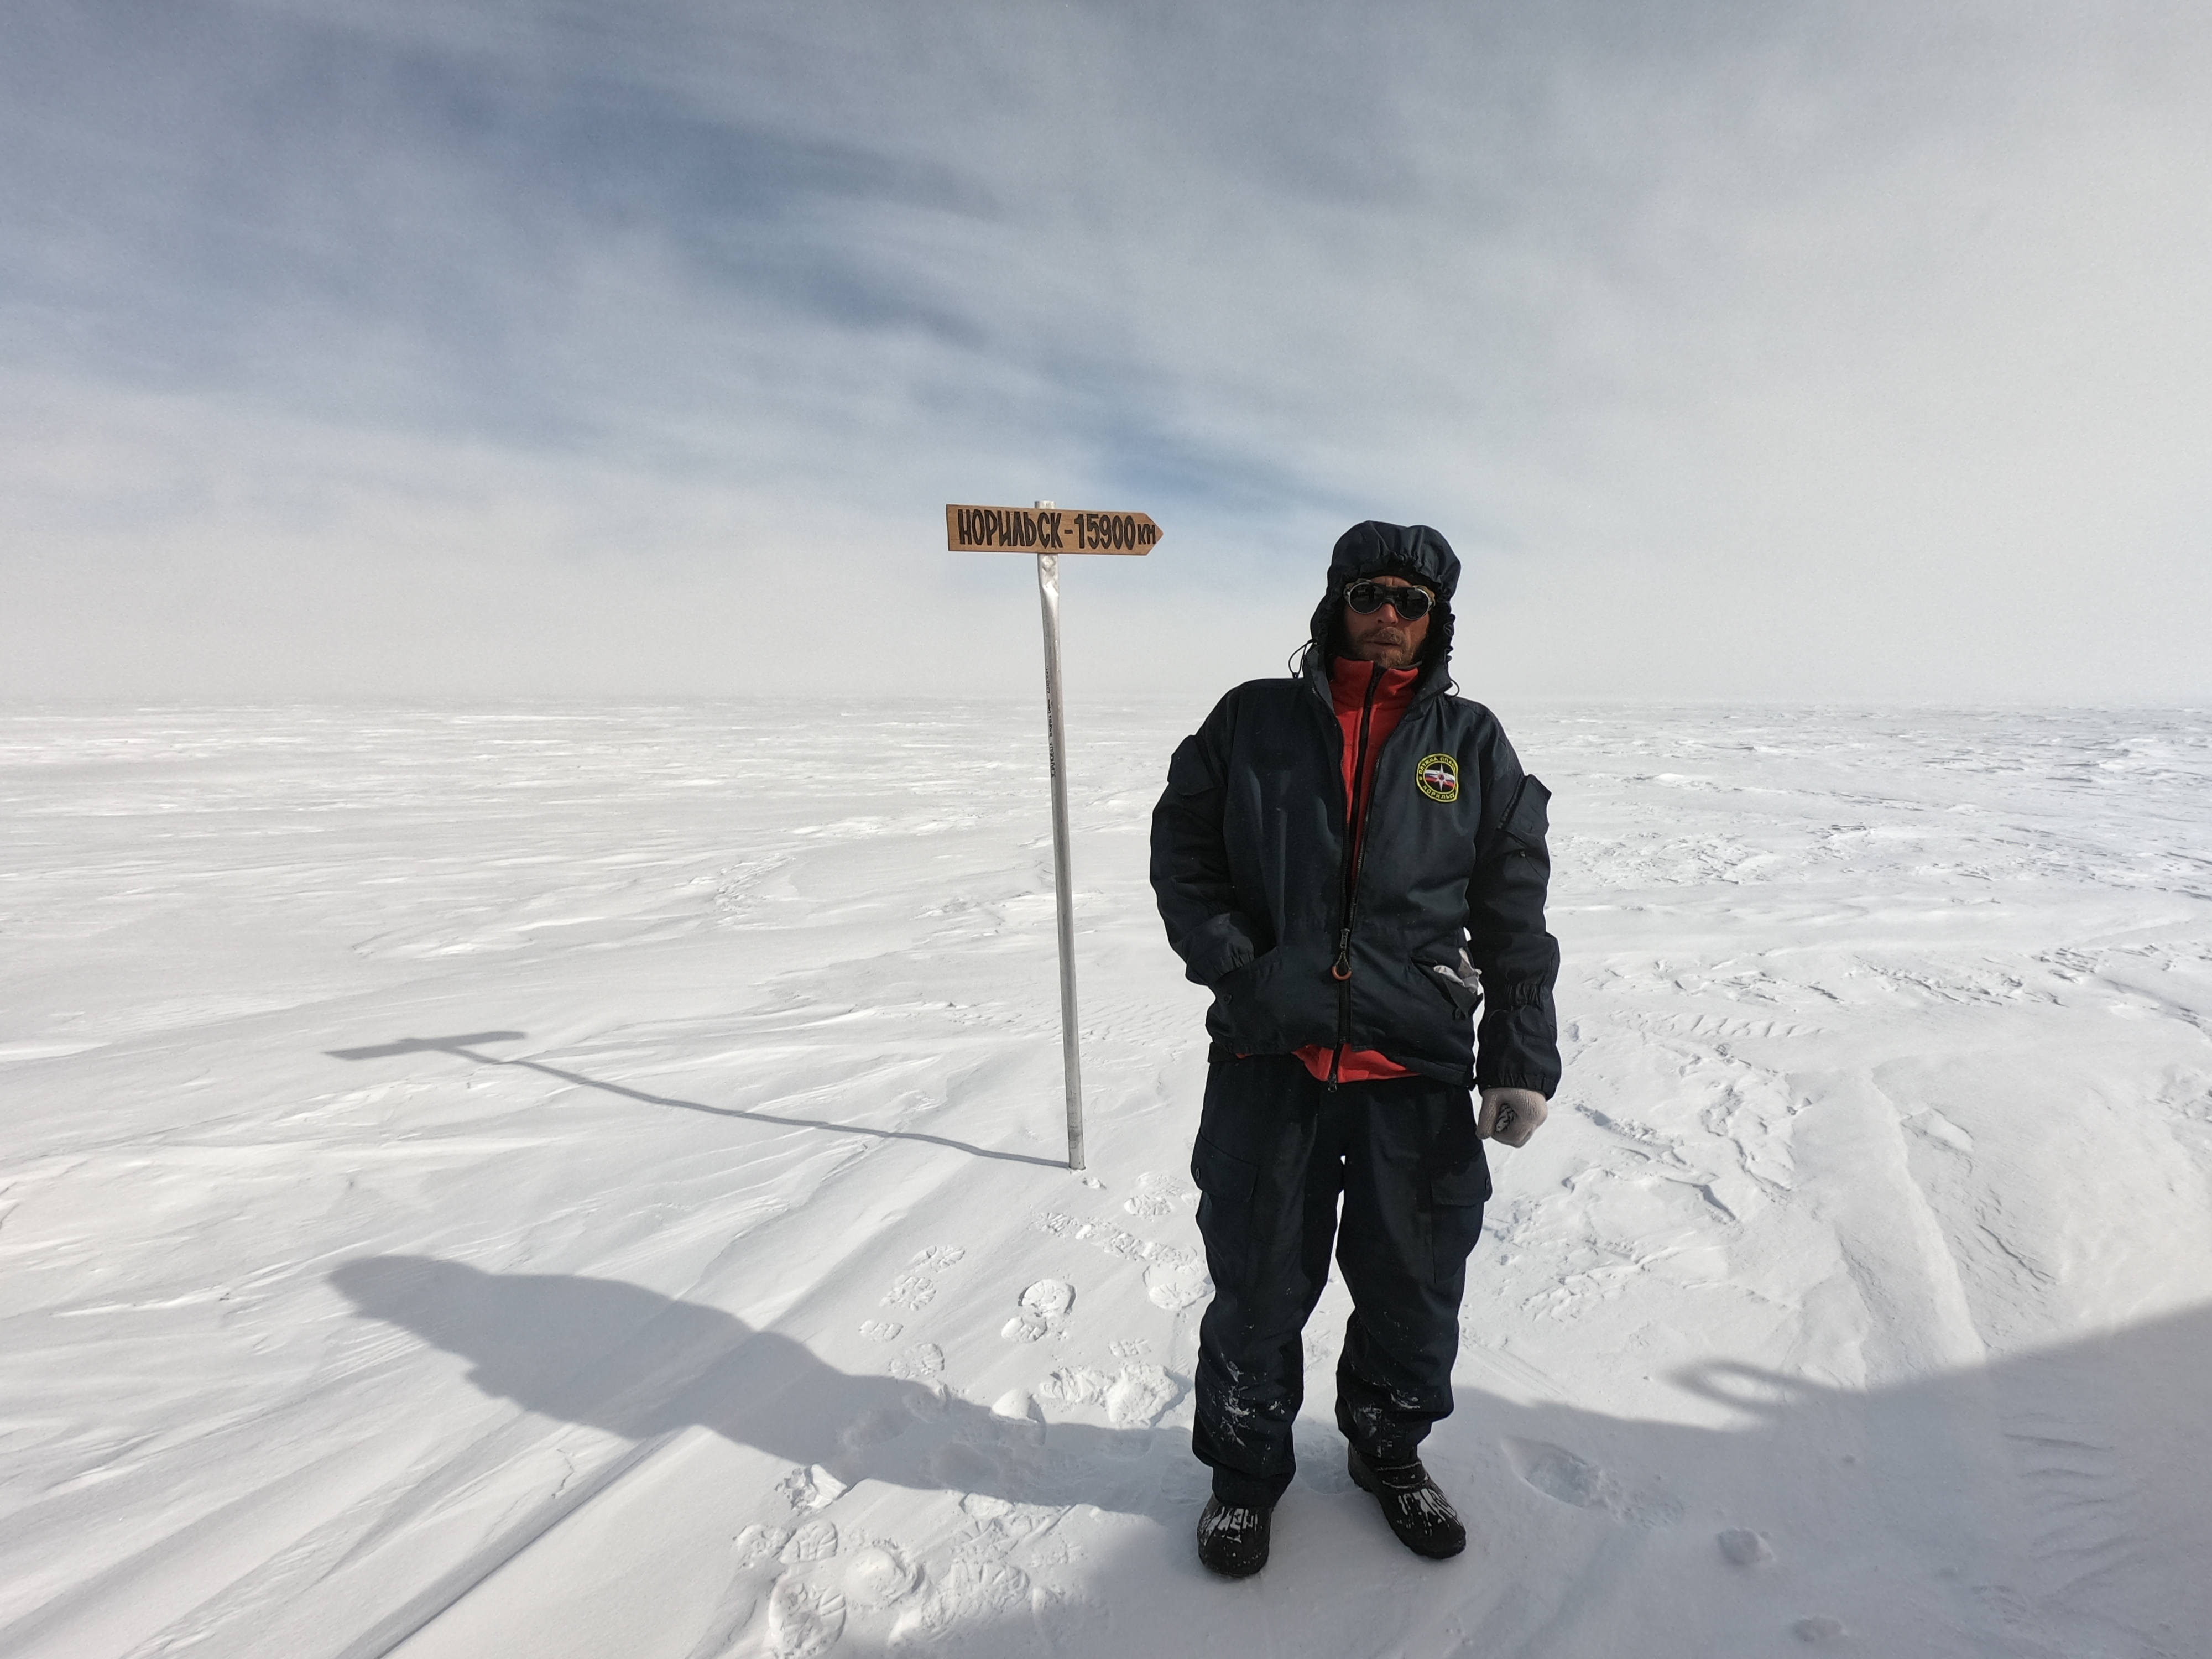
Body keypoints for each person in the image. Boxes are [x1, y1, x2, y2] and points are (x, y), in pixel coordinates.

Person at [1149, 520, 1561, 1578]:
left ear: (1437, 621)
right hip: (1269, 1065)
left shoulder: (1471, 745)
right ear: (1336, 603)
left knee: (1414, 1294)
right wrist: (1246, 974)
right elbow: (1183, 853)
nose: (1388, 615)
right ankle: (1244, 1478)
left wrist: (1519, 1054)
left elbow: (1514, 912)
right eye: (1370, 595)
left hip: (1413, 1073)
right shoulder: (1252, 722)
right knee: (1255, 1290)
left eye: (1411, 602)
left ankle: (1388, 1451)